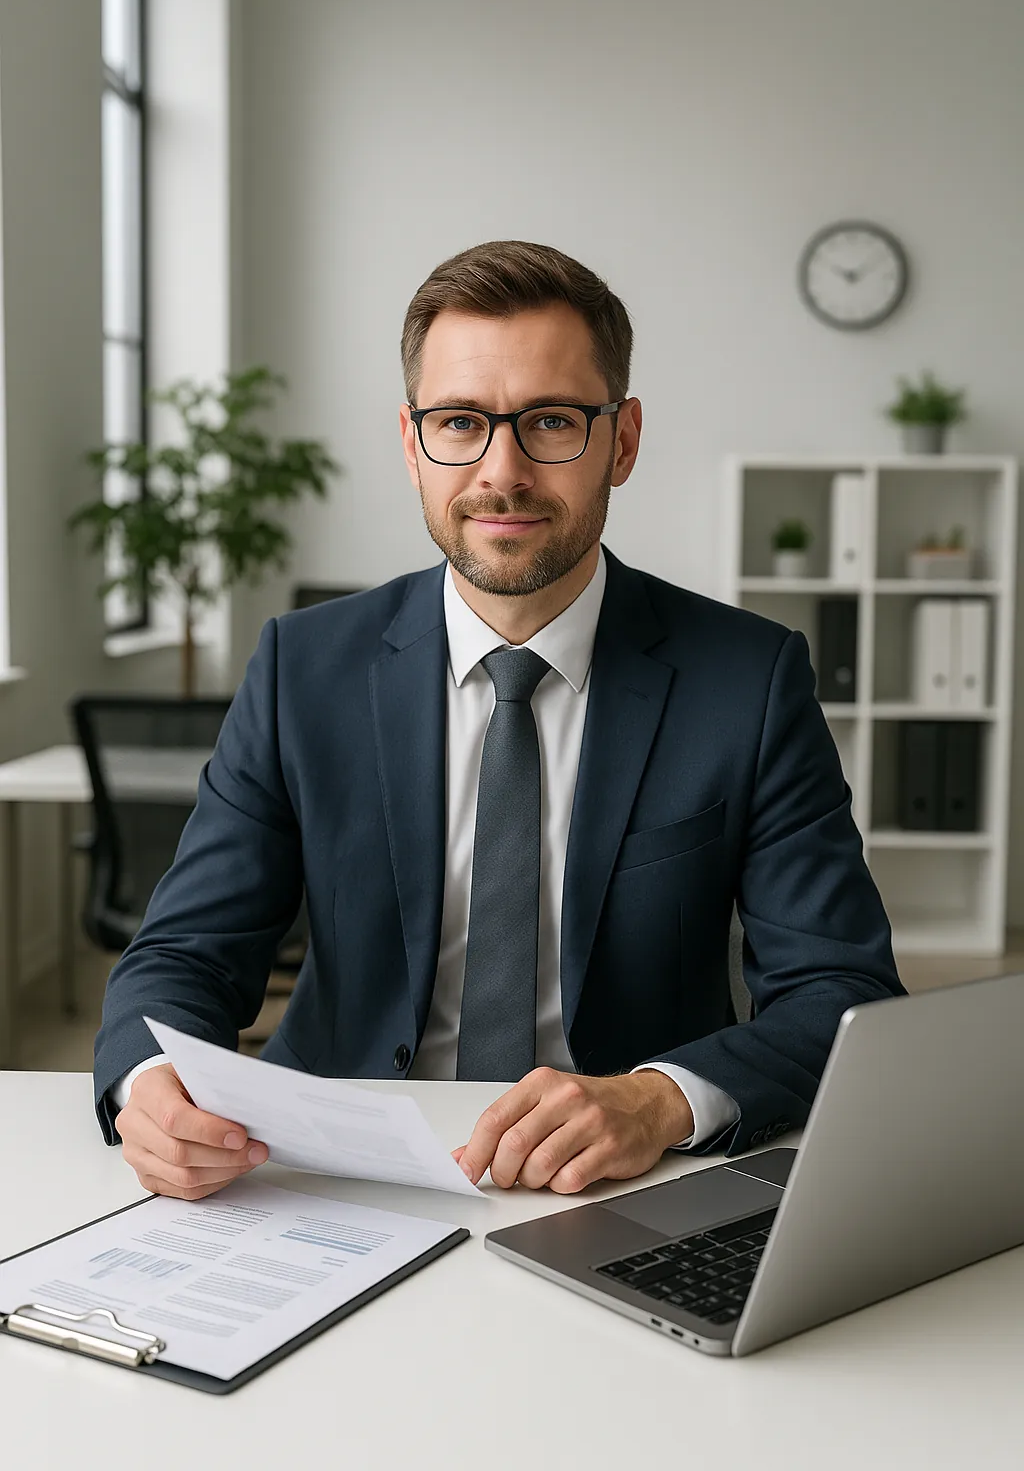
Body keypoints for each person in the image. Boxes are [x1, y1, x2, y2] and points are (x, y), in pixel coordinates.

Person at [94, 239, 903, 1202]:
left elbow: (842, 992)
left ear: (623, 441)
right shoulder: (300, 669)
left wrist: (657, 1101)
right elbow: (184, 952)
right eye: (460, 422)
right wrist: (150, 1086)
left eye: (552, 421)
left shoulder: (749, 680)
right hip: (334, 1174)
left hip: (620, 1179)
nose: (502, 470)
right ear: (412, 444)